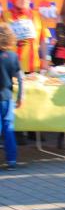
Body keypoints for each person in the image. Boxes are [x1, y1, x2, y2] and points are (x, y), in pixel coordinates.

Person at [4, 0, 49, 73]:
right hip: (11, 69)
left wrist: (46, 59)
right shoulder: (5, 17)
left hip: (34, 69)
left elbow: (43, 40)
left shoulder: (37, 16)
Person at [0, 23, 23, 171]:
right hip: (7, 97)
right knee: (9, 129)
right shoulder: (14, 56)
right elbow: (20, 79)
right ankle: (12, 161)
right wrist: (20, 96)